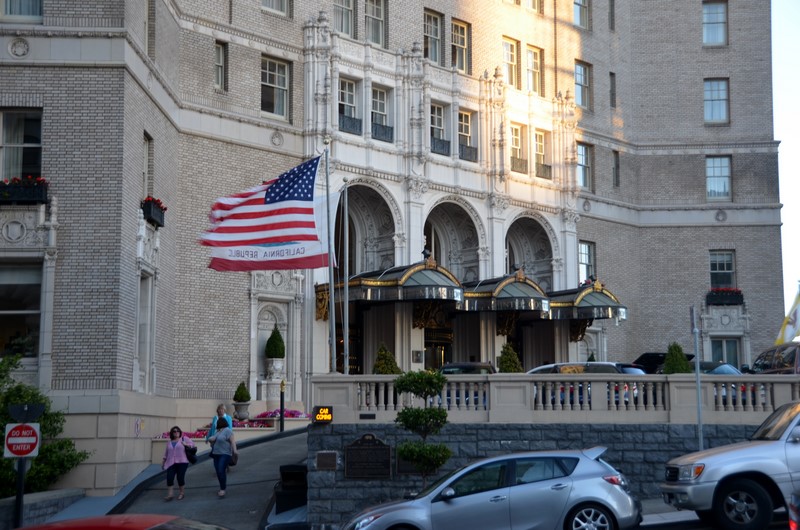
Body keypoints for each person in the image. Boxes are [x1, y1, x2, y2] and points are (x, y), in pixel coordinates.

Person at [162, 425, 195, 501]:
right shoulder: (169, 442)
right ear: (172, 433)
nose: (176, 432)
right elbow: (166, 453)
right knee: (169, 478)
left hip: (182, 462)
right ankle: (170, 495)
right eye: (174, 431)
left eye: (178, 431)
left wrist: (186, 444)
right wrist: (163, 461)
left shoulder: (184, 439)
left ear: (180, 432)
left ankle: (181, 493)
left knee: (180, 478)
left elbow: (192, 445)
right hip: (171, 462)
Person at [207, 417, 237, 497]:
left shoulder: (228, 431)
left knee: (221, 470)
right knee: (218, 472)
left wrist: (235, 451)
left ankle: (223, 489)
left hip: (225, 454)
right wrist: (211, 439)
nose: (217, 423)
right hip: (216, 454)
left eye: (218, 422)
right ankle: (222, 486)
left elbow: (233, 442)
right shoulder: (217, 432)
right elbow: (212, 440)